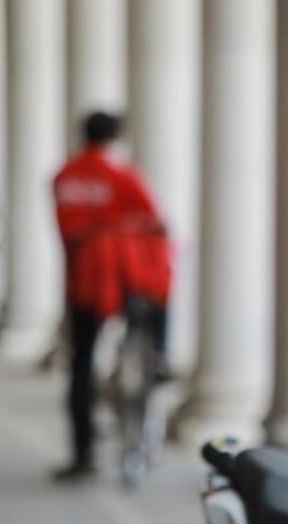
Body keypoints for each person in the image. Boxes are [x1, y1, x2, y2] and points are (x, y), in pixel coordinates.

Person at [51, 111, 172, 481]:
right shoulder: (122, 175)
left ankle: (82, 452)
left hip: (83, 284)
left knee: (81, 365)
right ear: (115, 137)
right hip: (125, 283)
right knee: (162, 289)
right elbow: (157, 224)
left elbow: (65, 231)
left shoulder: (64, 176)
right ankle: (162, 356)